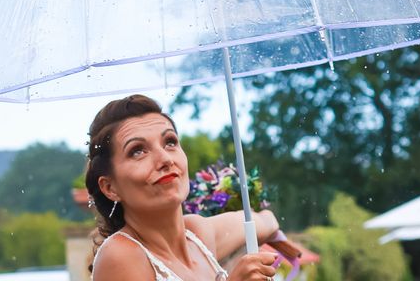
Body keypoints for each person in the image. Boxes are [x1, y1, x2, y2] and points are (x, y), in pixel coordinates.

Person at [86, 94, 280, 281]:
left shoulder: (197, 233)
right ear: (110, 188)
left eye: (170, 142)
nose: (165, 159)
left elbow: (264, 221)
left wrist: (275, 236)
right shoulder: (120, 256)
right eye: (138, 151)